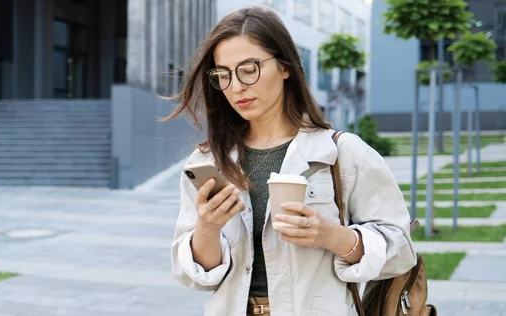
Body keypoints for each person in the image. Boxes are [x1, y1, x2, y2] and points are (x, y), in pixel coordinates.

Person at [163, 6, 417, 316]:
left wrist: (332, 236)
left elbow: (402, 251)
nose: (237, 86)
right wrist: (207, 227)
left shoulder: (343, 153)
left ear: (285, 66)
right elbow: (194, 276)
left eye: (249, 68)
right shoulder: (208, 162)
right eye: (223, 75)